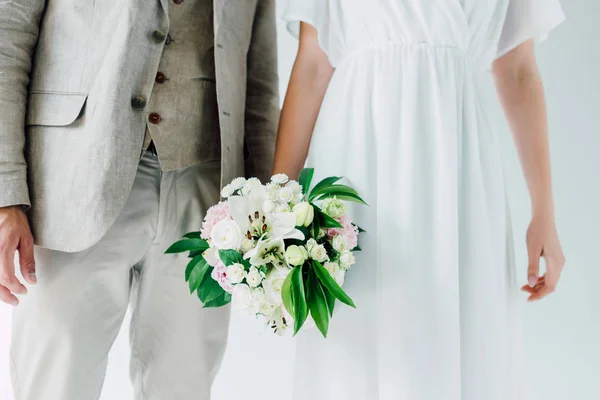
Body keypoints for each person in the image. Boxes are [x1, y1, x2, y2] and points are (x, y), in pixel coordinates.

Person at [274, 1, 565, 399]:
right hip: (359, 155)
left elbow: (517, 69)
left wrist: (544, 212)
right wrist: (277, 204)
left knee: (457, 319)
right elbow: (311, 64)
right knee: (359, 331)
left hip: (458, 161)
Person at [0, 0, 278, 399]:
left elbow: (260, 75)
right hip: (70, 177)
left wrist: (268, 206)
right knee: (55, 385)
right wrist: (5, 193)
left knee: (184, 386)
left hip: (209, 191)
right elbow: (7, 32)